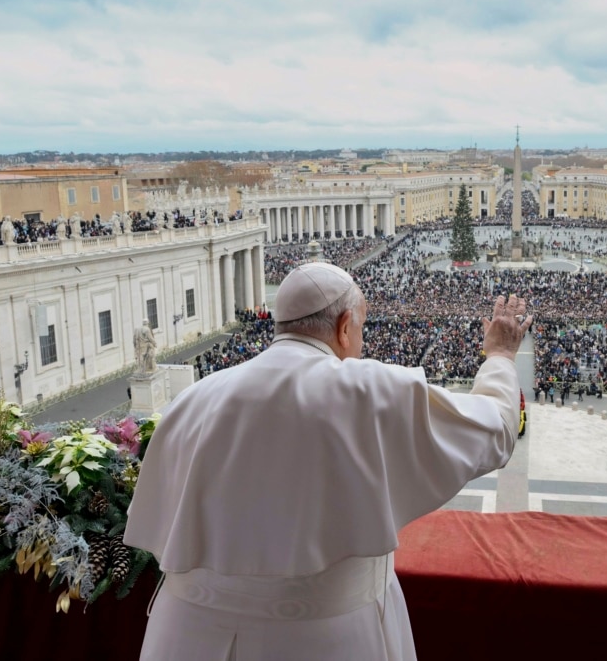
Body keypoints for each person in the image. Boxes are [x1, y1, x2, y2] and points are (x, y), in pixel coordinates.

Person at [124, 262, 532, 660]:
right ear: (344, 326)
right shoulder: (366, 390)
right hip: (326, 638)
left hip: (188, 635)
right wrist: (499, 355)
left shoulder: (192, 400)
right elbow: (495, 429)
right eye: (360, 330)